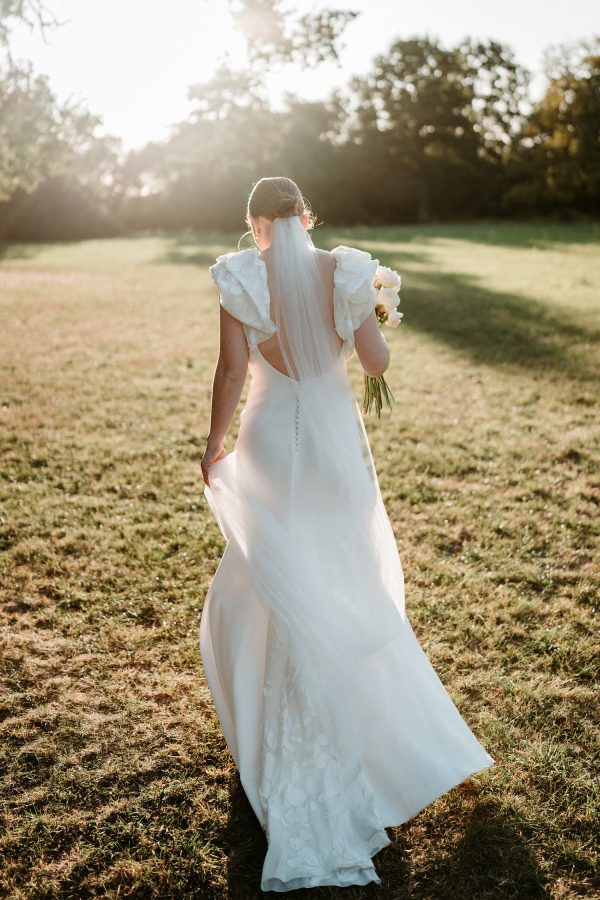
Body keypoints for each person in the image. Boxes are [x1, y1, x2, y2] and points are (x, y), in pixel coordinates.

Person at [199, 176, 494, 892]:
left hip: (269, 440)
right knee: (337, 576)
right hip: (332, 448)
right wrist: (376, 315)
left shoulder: (240, 275)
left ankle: (280, 742)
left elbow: (234, 369)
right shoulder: (347, 269)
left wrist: (213, 445)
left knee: (266, 582)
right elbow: (375, 364)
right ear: (307, 216)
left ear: (254, 224)